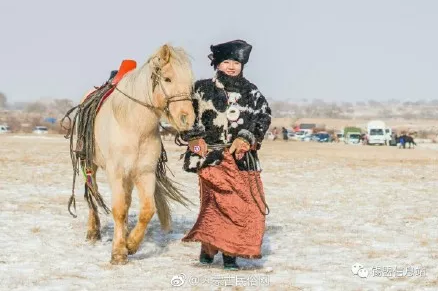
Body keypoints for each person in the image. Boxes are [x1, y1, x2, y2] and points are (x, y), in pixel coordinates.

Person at [180, 39, 271, 270]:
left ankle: (231, 252)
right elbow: (185, 117)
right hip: (210, 158)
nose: (232, 66)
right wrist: (195, 141)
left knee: (243, 207)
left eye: (236, 62)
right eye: (226, 62)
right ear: (217, 64)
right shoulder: (201, 89)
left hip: (242, 159)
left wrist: (246, 137)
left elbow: (263, 117)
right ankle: (210, 247)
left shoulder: (252, 92)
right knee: (217, 206)